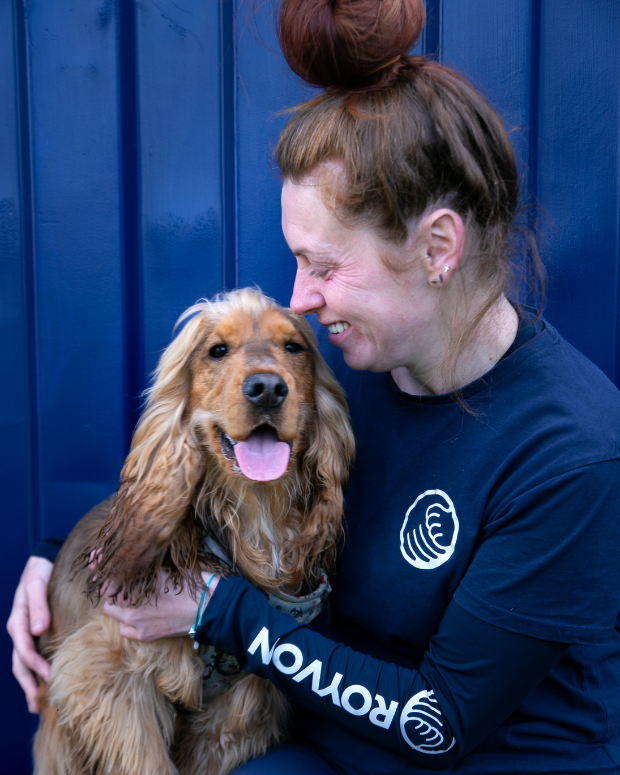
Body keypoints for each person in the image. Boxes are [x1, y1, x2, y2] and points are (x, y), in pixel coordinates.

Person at [8, 0, 620, 771]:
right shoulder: (343, 373)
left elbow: (438, 722)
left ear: (438, 246)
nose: (300, 297)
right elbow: (202, 479)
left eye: (325, 265)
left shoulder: (570, 455)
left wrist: (218, 611)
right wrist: (60, 561)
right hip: (322, 738)